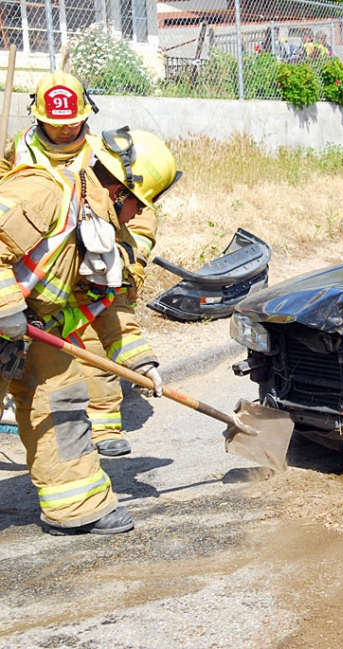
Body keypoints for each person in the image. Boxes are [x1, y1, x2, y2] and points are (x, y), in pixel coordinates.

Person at [0, 126, 180, 535]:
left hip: (30, 328)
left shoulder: (96, 220)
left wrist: (142, 361)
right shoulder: (44, 192)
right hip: (9, 319)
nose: (139, 216)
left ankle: (77, 505)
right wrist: (7, 308)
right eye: (140, 204)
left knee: (62, 401)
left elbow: (106, 300)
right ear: (119, 190)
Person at [2, 71, 159, 458]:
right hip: (32, 264)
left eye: (72, 121)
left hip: (87, 266)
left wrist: (125, 268)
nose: (64, 130)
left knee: (91, 345)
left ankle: (104, 425)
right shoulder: (20, 151)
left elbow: (136, 220)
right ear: (38, 117)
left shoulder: (104, 156)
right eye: (55, 124)